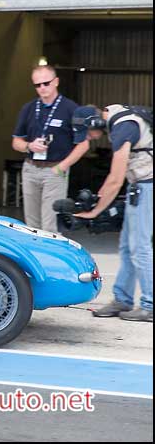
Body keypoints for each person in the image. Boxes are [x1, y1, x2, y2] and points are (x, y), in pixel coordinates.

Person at [72, 104, 152, 322]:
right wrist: (98, 198)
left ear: (95, 122)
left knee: (141, 247)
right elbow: (113, 178)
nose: (90, 137)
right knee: (127, 247)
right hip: (139, 185)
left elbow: (116, 179)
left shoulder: (123, 127)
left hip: (148, 186)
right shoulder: (120, 120)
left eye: (88, 132)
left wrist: (95, 211)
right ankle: (123, 300)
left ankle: (150, 305)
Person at [11, 65, 88, 233]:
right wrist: (29, 146)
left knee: (51, 222)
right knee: (31, 224)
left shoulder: (71, 109)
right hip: (31, 168)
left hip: (55, 169)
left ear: (56, 82)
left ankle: (50, 258)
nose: (42, 88)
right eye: (37, 85)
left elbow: (83, 145)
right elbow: (16, 141)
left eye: (46, 83)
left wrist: (62, 166)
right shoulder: (28, 108)